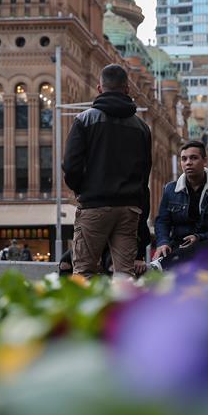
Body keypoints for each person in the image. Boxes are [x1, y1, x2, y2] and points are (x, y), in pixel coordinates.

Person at [62, 64, 152, 278]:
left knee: (84, 271)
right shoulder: (141, 128)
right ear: (127, 89)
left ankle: (87, 312)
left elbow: (71, 165)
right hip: (129, 208)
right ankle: (122, 312)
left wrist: (83, 190)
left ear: (99, 88)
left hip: (95, 205)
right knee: (125, 275)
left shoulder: (85, 120)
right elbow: (144, 175)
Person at [152, 140, 208, 270]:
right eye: (184, 159)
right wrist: (163, 242)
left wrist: (199, 237)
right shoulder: (171, 189)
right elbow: (162, 221)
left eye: (193, 158)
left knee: (202, 248)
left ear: (204, 161)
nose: (188, 162)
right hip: (179, 244)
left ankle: (162, 264)